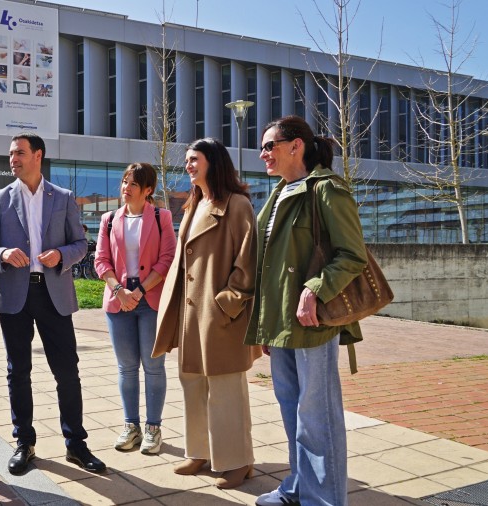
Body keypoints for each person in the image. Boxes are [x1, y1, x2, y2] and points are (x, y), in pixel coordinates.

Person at [246, 116, 368, 506]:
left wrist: (315, 289)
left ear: (295, 145)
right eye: (262, 147)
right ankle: (298, 488)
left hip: (313, 323)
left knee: (318, 417)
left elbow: (353, 256)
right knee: (293, 413)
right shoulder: (278, 192)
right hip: (282, 323)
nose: (263, 153)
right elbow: (269, 265)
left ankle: (324, 500)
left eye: (270, 146)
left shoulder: (327, 189)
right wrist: (267, 325)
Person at [0, 132, 106, 475]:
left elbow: (81, 244)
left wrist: (60, 255)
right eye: (10, 154)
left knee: (67, 371)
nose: (13, 159)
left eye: (19, 153)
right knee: (18, 371)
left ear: (38, 155)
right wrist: (2, 253)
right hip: (14, 296)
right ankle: (24, 443)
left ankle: (76, 445)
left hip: (54, 295)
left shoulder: (62, 197)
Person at [152, 138, 260, 489]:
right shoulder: (194, 204)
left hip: (219, 315)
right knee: (192, 383)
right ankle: (199, 451)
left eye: (194, 159)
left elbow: (249, 262)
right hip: (189, 315)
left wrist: (227, 303)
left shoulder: (237, 205)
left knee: (227, 389)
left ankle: (238, 461)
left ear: (213, 161)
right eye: (186, 160)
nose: (188, 165)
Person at [94, 162, 175, 455]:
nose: (126, 189)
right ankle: (131, 426)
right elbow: (100, 261)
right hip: (119, 301)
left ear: (148, 190)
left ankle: (154, 428)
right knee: (126, 367)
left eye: (133, 185)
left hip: (150, 300)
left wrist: (139, 291)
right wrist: (119, 291)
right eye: (125, 183)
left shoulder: (160, 216)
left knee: (153, 367)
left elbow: (167, 259)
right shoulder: (109, 219)